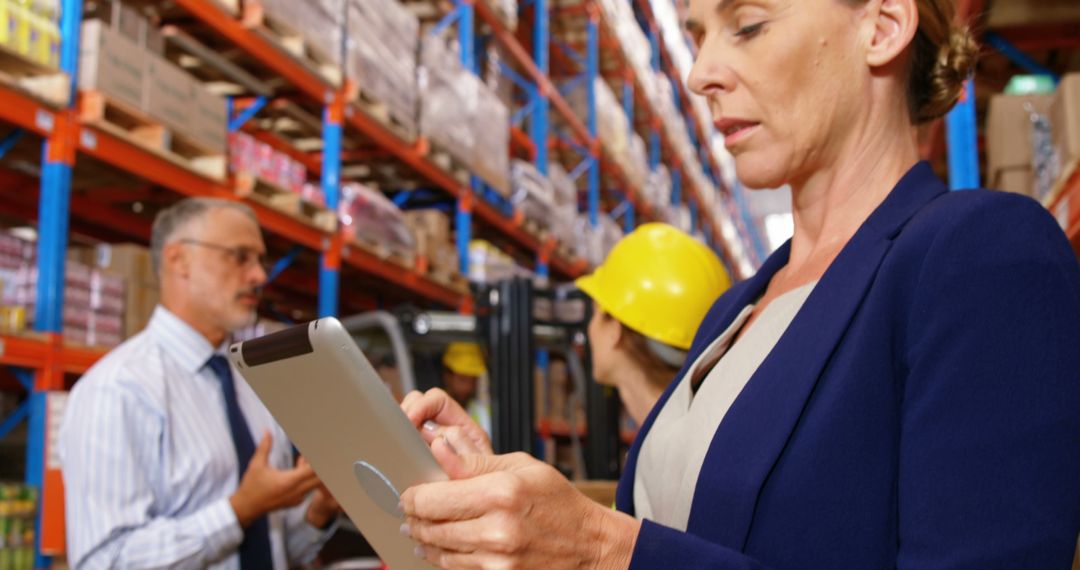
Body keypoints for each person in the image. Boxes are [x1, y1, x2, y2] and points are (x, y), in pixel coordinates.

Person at [396, 0, 1080, 566]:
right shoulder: (736, 308)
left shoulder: (980, 255)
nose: (699, 74)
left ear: (883, 26)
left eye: (747, 26)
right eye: (696, 36)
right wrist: (506, 511)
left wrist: (601, 546)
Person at [60, 198, 340, 569]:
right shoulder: (117, 390)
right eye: (240, 256)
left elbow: (275, 548)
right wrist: (239, 510)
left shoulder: (254, 384)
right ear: (179, 260)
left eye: (260, 260)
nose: (259, 276)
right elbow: (106, 561)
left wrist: (317, 512)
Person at [576, 222, 730, 424]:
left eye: (597, 313)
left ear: (615, 330)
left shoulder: (665, 449)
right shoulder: (703, 431)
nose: (591, 329)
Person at [441, 342, 492, 434]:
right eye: (463, 379)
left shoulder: (483, 413)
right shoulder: (431, 411)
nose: (468, 387)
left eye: (472, 381)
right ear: (447, 376)